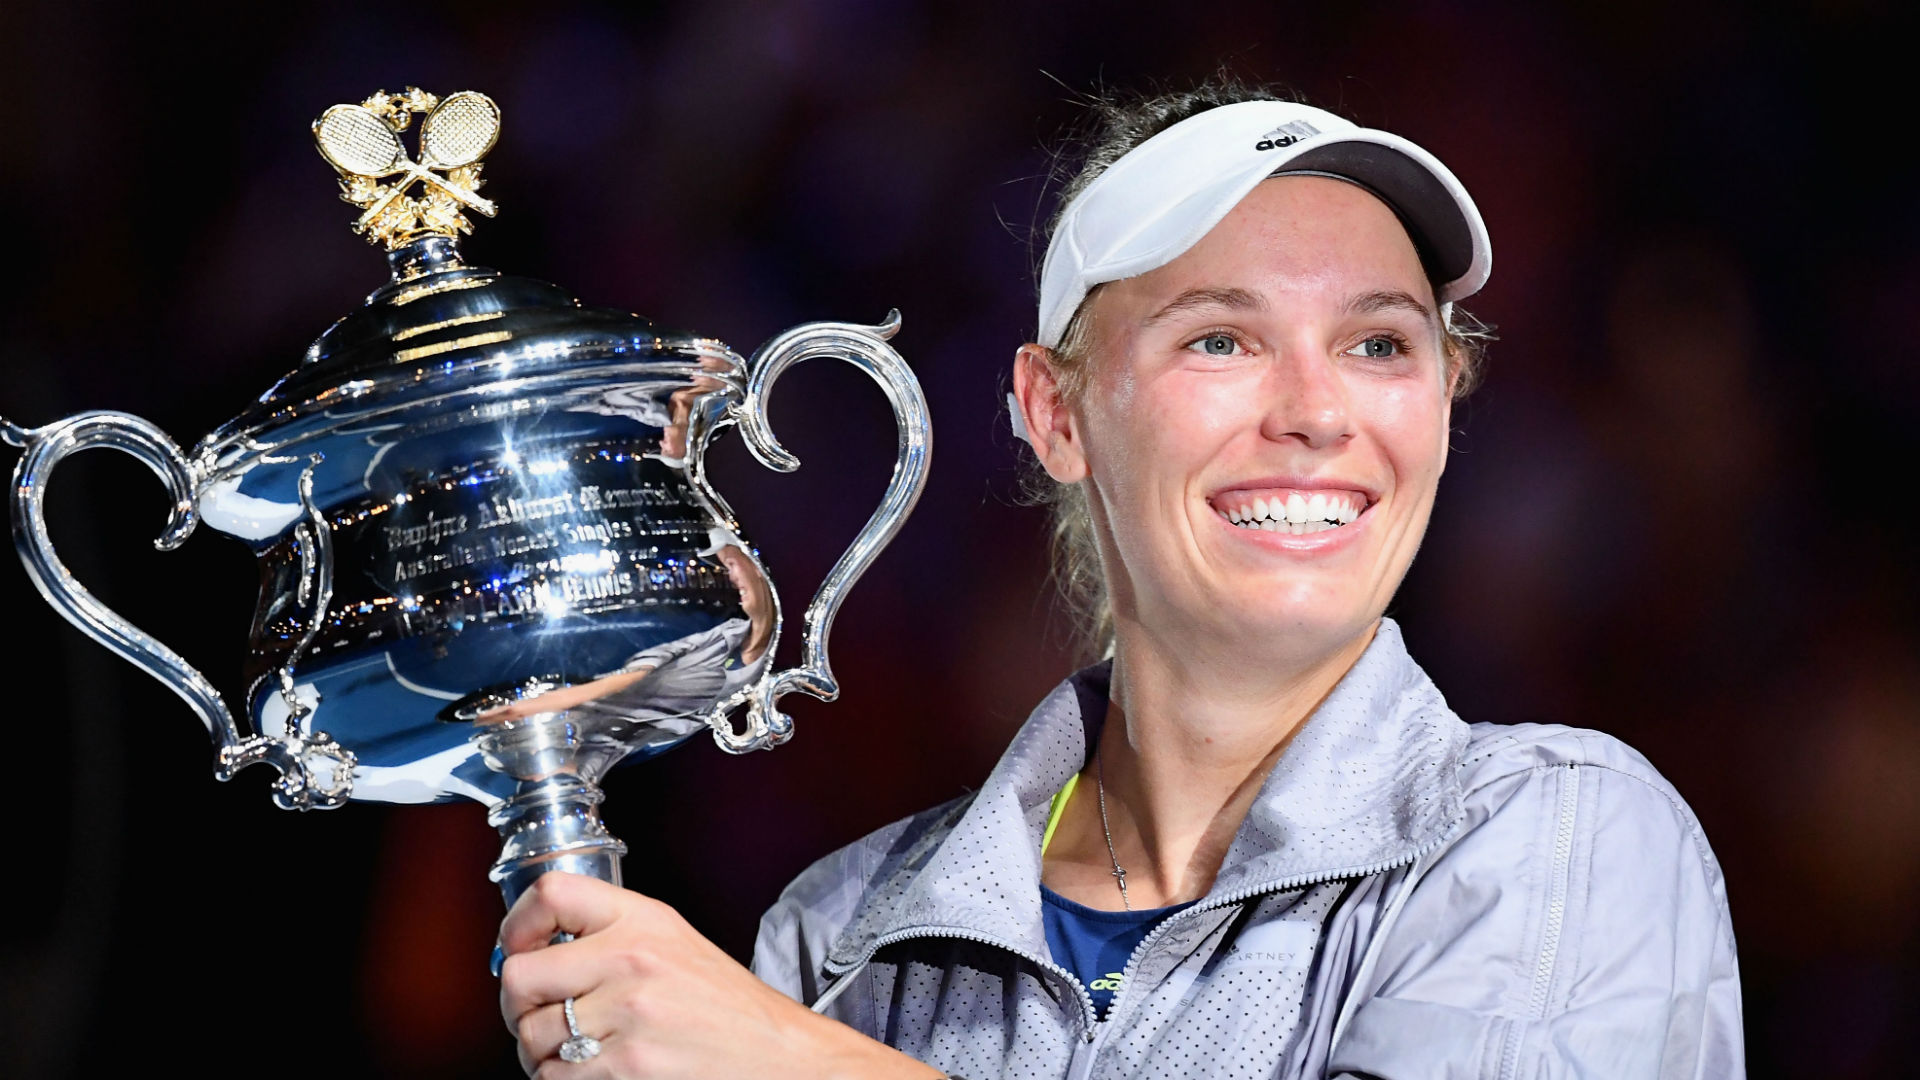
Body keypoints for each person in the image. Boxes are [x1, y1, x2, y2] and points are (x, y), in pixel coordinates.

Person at [495, 79, 1744, 1079]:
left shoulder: (1560, 834)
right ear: (1056, 413)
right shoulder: (840, 935)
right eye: (1221, 338)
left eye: (1378, 343)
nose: (1317, 412)